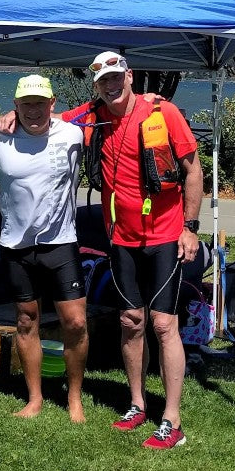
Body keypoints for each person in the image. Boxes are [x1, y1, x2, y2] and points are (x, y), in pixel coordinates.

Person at [63, 52, 203, 449]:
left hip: (165, 236)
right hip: (121, 239)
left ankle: (172, 419)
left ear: (129, 76)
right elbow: (44, 119)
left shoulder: (162, 112)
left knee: (164, 324)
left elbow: (193, 170)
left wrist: (190, 229)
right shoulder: (92, 116)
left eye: (116, 77)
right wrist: (11, 116)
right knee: (131, 320)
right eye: (102, 80)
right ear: (96, 86)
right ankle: (137, 404)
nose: (110, 85)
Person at [0, 75, 88, 422]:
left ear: (52, 103)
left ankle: (74, 398)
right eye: (26, 104)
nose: (33, 110)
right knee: (27, 321)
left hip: (61, 243)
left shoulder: (72, 133)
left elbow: (108, 111)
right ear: (15, 105)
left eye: (40, 103)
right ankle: (35, 398)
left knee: (75, 322)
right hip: (16, 245)